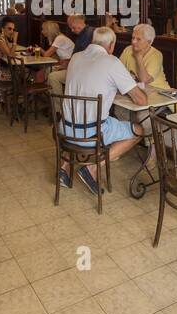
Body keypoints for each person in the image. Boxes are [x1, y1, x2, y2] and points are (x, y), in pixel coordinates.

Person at [61, 27, 147, 194]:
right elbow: (140, 99)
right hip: (92, 133)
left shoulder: (76, 57)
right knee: (139, 130)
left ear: (93, 41)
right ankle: (92, 167)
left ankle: (63, 168)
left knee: (79, 114)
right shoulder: (111, 61)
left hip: (65, 129)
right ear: (112, 45)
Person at [120, 23, 177, 113]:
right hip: (138, 92)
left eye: (138, 39)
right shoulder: (128, 50)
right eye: (133, 38)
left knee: (141, 113)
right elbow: (119, 72)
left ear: (149, 42)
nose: (133, 42)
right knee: (121, 109)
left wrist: (138, 57)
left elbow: (144, 80)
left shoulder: (156, 55)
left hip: (158, 93)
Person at [41, 19, 76, 96]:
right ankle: (50, 94)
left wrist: (39, 49)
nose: (42, 31)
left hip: (71, 66)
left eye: (43, 29)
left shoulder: (59, 38)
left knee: (49, 72)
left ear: (49, 30)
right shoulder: (59, 38)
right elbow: (52, 56)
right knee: (47, 70)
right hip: (67, 64)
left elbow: (46, 55)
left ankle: (55, 98)